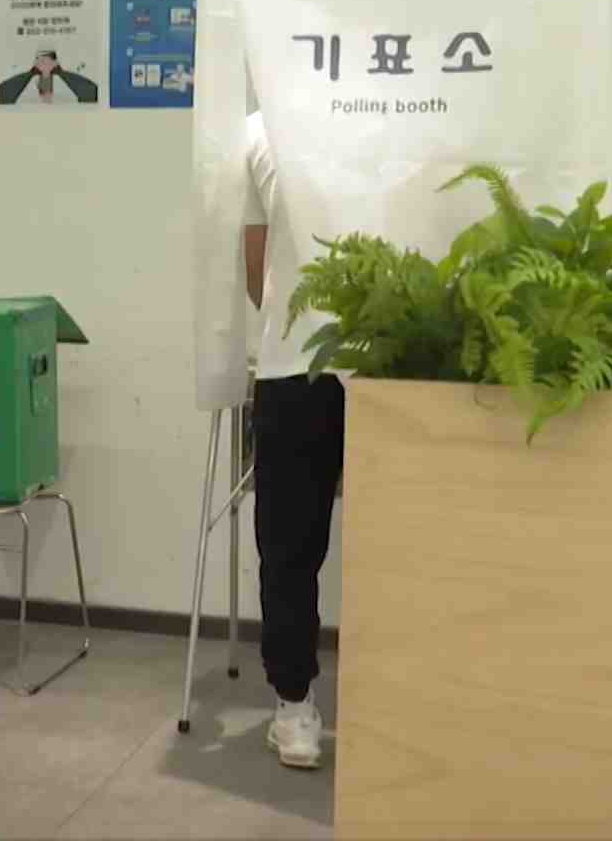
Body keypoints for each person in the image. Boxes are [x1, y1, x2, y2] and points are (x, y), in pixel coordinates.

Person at [241, 109, 343, 770]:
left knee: (291, 545)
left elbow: (258, 270)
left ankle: (296, 706)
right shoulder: (258, 131)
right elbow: (256, 266)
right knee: (289, 544)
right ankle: (296, 701)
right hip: (305, 364)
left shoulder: (260, 129)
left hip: (330, 361)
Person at [0, 50, 100, 105]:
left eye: (45, 61)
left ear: (55, 63)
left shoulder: (70, 79)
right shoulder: (23, 80)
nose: (42, 64)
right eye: (39, 61)